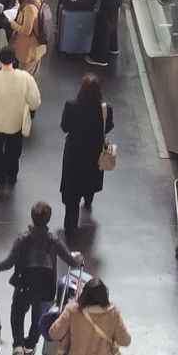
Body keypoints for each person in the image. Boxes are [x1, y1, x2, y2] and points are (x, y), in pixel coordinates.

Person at [0, 202, 82, 355]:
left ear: (31, 217)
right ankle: (30, 348)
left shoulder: (22, 240)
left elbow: (8, 263)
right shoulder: (54, 241)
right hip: (46, 287)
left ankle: (18, 345)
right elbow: (72, 262)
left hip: (25, 283)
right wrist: (77, 259)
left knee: (17, 313)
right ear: (48, 220)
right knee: (39, 318)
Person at [0, 47, 42, 191]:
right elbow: (35, 101)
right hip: (16, 123)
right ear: (14, 60)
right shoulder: (25, 78)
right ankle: (12, 175)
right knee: (14, 151)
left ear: (0, 60)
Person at [59, 74, 113, 240]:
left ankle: (70, 227)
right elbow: (108, 127)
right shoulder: (105, 108)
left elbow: (64, 127)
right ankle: (88, 199)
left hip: (74, 153)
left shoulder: (72, 105)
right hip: (95, 153)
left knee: (72, 191)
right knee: (90, 180)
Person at [8, 0, 49, 77]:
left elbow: (26, 31)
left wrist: (13, 24)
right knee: (33, 76)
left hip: (28, 49)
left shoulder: (30, 7)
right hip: (37, 47)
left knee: (24, 77)